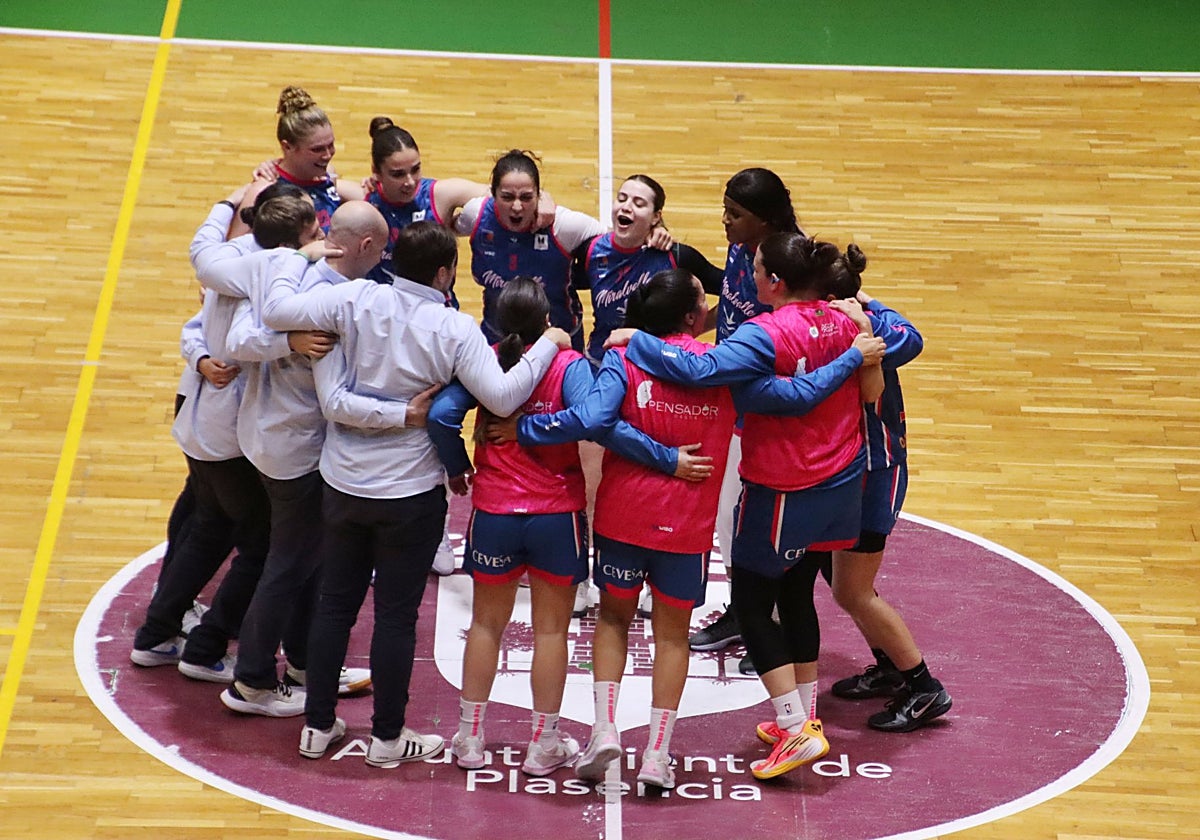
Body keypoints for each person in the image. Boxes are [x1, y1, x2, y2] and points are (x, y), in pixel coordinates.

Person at [258, 221, 574, 769]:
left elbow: (276, 313)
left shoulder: (352, 299)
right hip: (408, 493)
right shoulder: (452, 327)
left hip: (343, 483)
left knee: (336, 605)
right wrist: (547, 346)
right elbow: (501, 398)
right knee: (396, 618)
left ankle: (316, 726)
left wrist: (303, 258)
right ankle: (385, 739)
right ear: (446, 272)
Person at [608, 233, 886, 780]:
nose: (747, 278)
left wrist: (638, 340)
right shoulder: (844, 318)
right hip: (841, 481)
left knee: (754, 605)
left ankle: (793, 724)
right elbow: (859, 390)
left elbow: (697, 372)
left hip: (787, 486)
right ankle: (802, 720)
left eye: (756, 269)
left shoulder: (766, 332)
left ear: (774, 281)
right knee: (799, 593)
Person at [426, 277, 703, 777]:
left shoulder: (483, 360)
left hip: (493, 512)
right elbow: (593, 420)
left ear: (496, 320)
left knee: (486, 625)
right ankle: (543, 744)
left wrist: (457, 466)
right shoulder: (567, 365)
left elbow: (444, 416)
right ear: (550, 321)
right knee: (550, 632)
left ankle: (468, 740)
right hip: (555, 516)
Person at [487, 269, 735, 788]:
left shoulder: (624, 357)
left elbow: (597, 421)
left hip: (624, 515)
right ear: (693, 318)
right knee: (672, 638)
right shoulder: (721, 367)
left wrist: (526, 429)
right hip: (686, 524)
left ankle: (604, 730)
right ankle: (657, 755)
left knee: (614, 621)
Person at [204, 201, 387, 716]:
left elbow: (245, 333)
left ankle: (307, 664)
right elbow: (238, 339)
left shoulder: (292, 273)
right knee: (289, 565)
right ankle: (252, 683)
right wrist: (291, 340)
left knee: (309, 561)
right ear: (367, 246)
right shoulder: (308, 283)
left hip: (275, 439)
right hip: (291, 447)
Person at [812, 247, 952, 732]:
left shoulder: (864, 335)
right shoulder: (863, 322)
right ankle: (892, 666)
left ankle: (924, 687)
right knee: (839, 576)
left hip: (874, 472)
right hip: (857, 471)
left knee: (853, 592)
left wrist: (868, 317)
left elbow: (909, 342)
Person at [688, 168, 805, 662]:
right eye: (725, 210)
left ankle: (773, 624)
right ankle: (744, 611)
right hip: (728, 403)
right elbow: (732, 310)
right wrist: (691, 325)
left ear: (766, 219)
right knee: (725, 520)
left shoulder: (789, 264)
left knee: (759, 528)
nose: (725, 222)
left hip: (764, 412)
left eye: (735, 215)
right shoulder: (742, 251)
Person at [456, 150, 604, 352]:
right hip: (498, 339)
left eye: (526, 197)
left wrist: (654, 231)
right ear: (493, 193)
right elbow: (444, 221)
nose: (517, 206)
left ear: (539, 194)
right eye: (507, 197)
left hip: (558, 342)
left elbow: (621, 240)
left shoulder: (564, 225)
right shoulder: (477, 215)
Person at [573, 174, 722, 367]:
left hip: (653, 366)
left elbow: (732, 290)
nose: (626, 206)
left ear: (656, 217)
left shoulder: (676, 256)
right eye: (622, 198)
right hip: (599, 362)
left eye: (639, 203)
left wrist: (695, 330)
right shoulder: (591, 250)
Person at [259, 86, 363, 233]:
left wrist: (375, 184)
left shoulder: (327, 172)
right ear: (287, 147)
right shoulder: (267, 188)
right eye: (317, 149)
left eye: (331, 145)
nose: (328, 155)